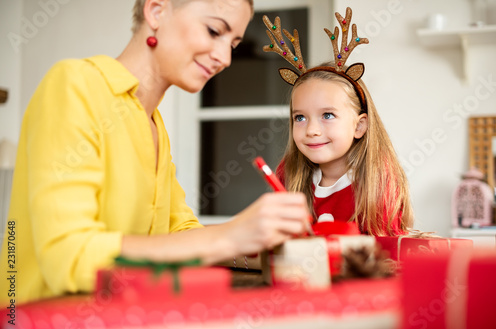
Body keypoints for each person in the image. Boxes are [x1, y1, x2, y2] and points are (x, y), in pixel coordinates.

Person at [0, 0, 310, 306]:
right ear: (156, 11)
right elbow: (68, 255)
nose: (225, 58)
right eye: (215, 31)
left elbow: (181, 233)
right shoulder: (75, 84)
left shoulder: (153, 124)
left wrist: (275, 246)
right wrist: (230, 235)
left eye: (234, 43)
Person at [276, 62, 413, 236]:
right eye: (300, 117)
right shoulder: (288, 172)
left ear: (359, 126)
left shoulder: (377, 180)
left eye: (327, 115)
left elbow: (386, 254)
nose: (311, 130)